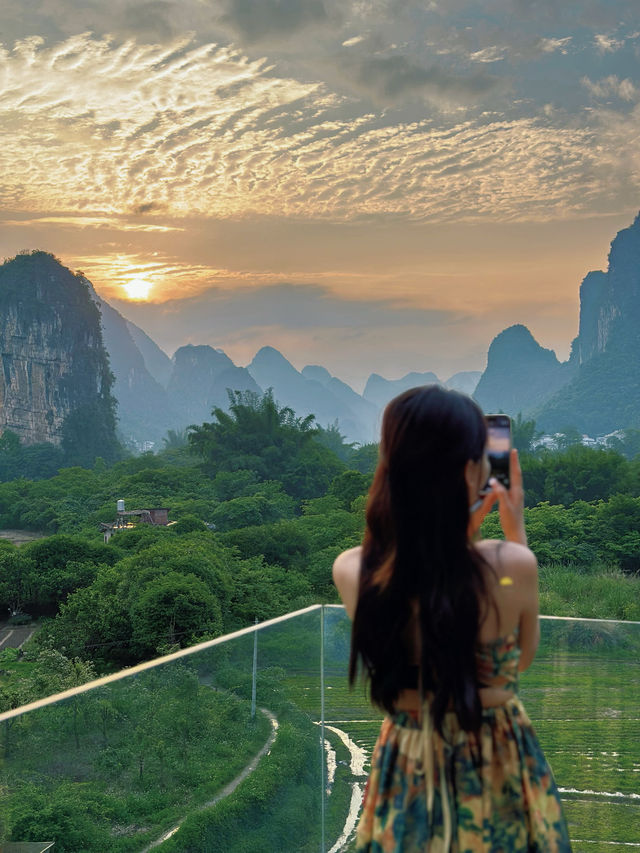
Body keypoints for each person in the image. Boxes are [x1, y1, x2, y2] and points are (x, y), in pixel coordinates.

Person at [333, 385, 572, 852]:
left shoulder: (352, 570)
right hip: (496, 753)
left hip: (406, 755)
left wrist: (455, 530)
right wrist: (513, 531)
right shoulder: (511, 566)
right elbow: (519, 661)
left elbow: (426, 578)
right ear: (470, 471)